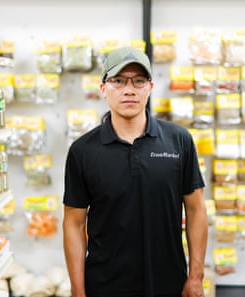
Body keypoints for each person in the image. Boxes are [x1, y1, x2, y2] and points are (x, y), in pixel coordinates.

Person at [62, 46, 208, 297]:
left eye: (138, 81)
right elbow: (74, 224)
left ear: (150, 88)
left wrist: (196, 277)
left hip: (169, 284)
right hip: (105, 286)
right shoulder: (83, 151)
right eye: (118, 81)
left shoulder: (178, 141)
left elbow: (196, 209)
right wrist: (78, 291)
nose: (129, 89)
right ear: (103, 89)